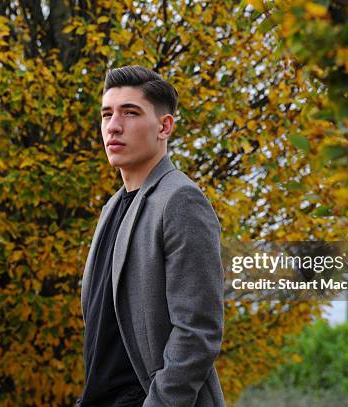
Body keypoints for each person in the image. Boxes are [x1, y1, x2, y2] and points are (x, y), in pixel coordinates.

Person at [78, 65, 225, 407]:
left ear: (164, 126)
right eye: (107, 114)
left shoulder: (181, 200)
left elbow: (197, 331)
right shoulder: (113, 208)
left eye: (130, 113)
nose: (113, 126)